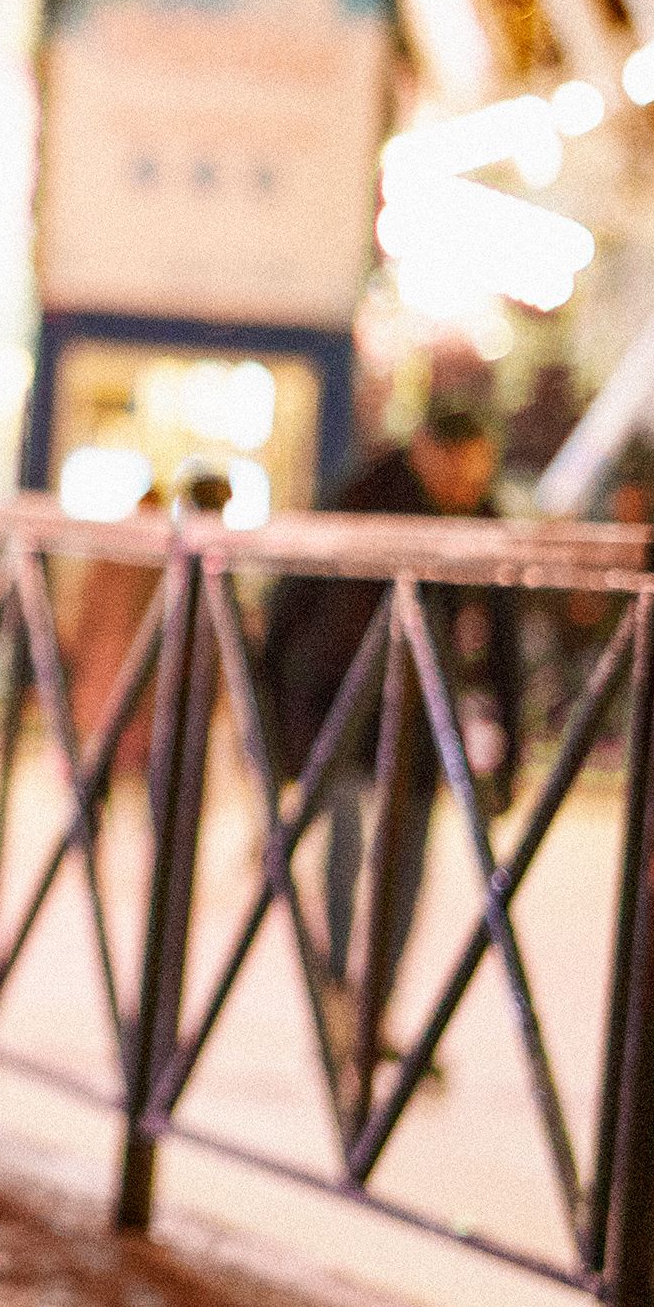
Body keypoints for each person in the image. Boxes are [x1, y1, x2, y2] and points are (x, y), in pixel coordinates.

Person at [258, 401, 519, 1080]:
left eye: (477, 475)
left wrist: (508, 748)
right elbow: (294, 601)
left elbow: (505, 640)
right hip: (339, 712)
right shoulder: (366, 496)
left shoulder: (484, 519)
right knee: (342, 854)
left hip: (425, 729)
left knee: (407, 869)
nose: (467, 488)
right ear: (427, 451)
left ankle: (371, 1008)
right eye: (458, 472)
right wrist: (274, 721)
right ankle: (341, 998)